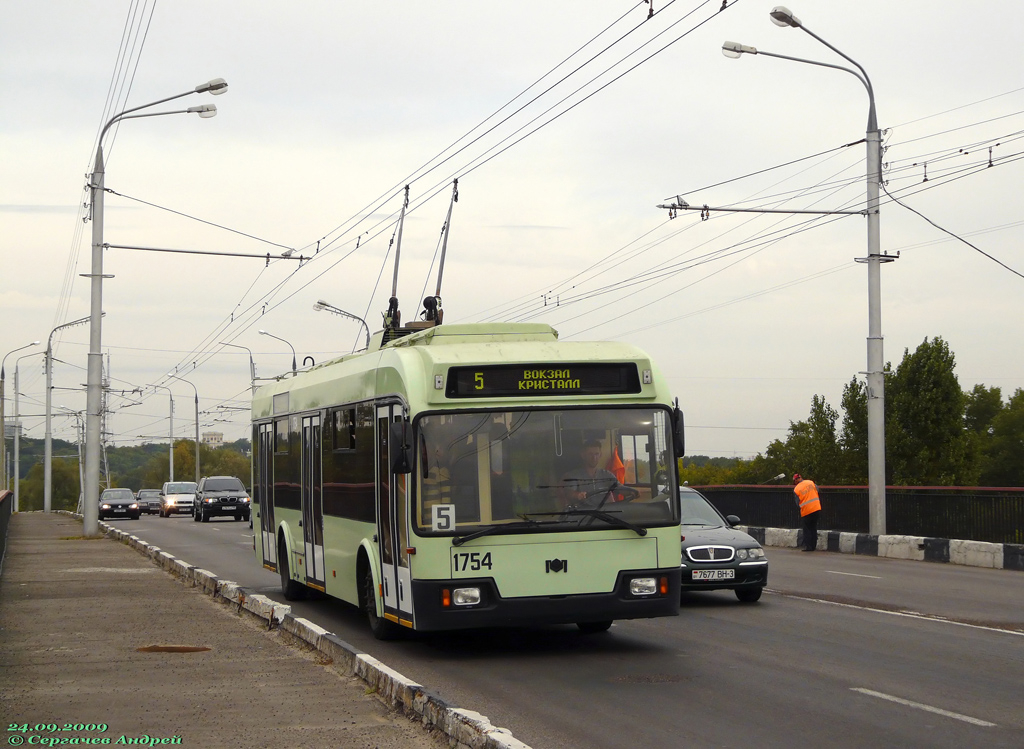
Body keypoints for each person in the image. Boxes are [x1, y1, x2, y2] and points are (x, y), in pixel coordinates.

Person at [560, 440, 619, 509]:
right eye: (590, 454)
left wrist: (631, 492)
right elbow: (569, 493)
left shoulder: (607, 474)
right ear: (583, 455)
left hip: (606, 515)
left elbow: (620, 487)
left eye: (596, 454)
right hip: (585, 515)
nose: (594, 458)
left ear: (600, 455)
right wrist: (578, 495)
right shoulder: (573, 475)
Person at [792, 473, 822, 552]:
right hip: (816, 508)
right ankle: (813, 546)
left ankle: (808, 547)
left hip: (806, 511)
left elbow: (797, 502)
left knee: (807, 529)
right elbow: (817, 490)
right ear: (801, 477)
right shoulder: (811, 482)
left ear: (795, 480)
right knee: (813, 527)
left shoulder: (796, 489)